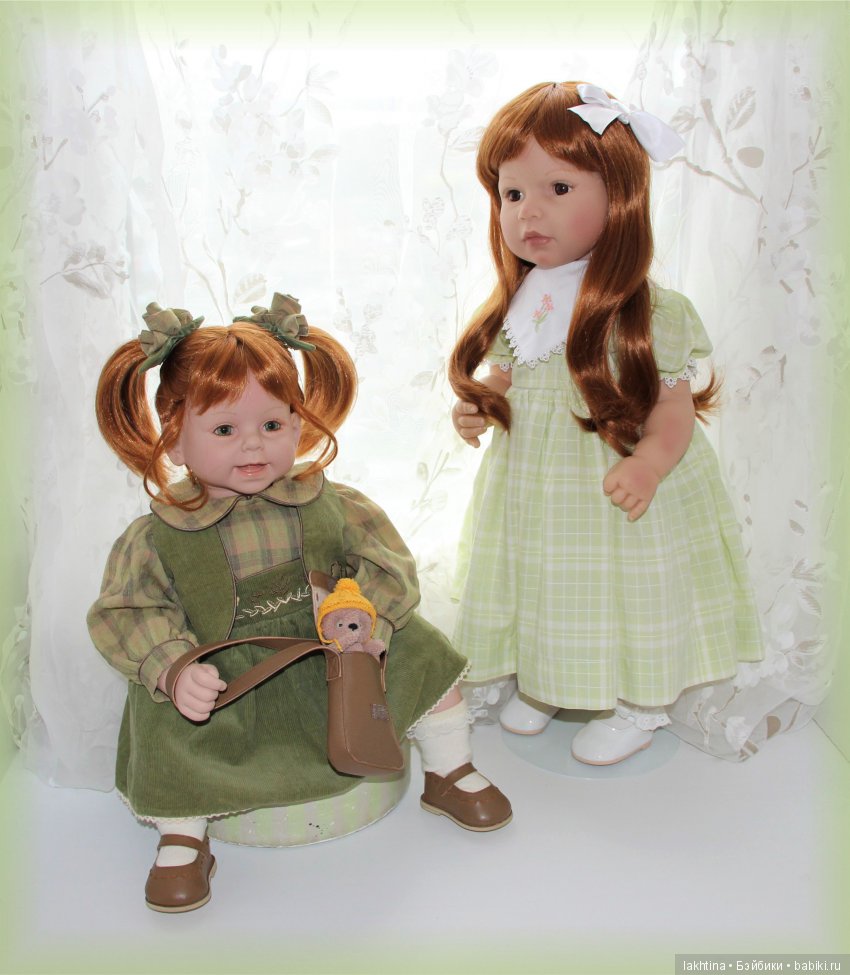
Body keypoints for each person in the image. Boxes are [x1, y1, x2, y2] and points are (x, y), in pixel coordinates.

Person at [88, 293, 511, 914]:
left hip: (333, 656)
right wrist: (173, 666)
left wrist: (360, 612)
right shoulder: (160, 533)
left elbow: (385, 560)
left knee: (425, 651)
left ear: (298, 422)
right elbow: (130, 611)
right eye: (224, 429)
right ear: (174, 439)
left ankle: (448, 768)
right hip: (228, 675)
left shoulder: (326, 501)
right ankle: (184, 835)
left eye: (273, 425)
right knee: (174, 720)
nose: (252, 447)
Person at [449, 82, 762, 767]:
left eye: (558, 188)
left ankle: (635, 705)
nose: (529, 211)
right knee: (546, 578)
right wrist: (480, 402)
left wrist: (650, 463)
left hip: (615, 480)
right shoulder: (522, 300)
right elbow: (509, 374)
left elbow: (674, 406)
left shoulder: (650, 312)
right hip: (537, 485)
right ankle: (549, 678)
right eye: (511, 193)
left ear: (618, 194)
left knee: (624, 586)